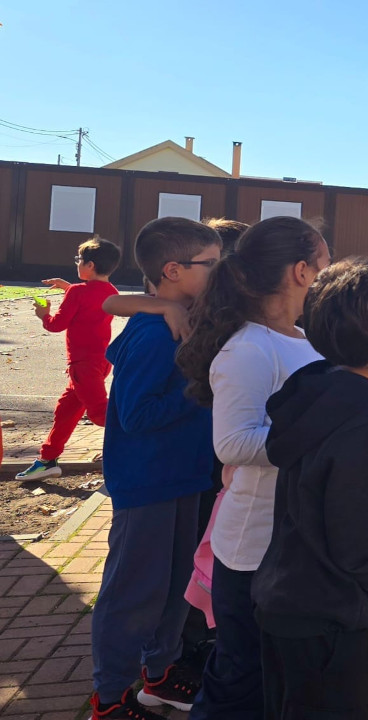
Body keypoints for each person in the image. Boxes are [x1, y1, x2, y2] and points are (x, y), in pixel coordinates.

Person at [252, 258, 368, 718]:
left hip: (286, 600)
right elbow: (361, 552)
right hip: (328, 618)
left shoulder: (316, 391)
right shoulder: (366, 425)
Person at [176, 216, 330, 720]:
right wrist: (324, 436)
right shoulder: (249, 346)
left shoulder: (302, 338)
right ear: (302, 271)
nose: (328, 274)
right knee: (239, 681)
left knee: (273, 680)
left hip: (287, 539)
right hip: (251, 548)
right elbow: (234, 443)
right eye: (325, 263)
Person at [88, 218, 221, 720]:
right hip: (148, 484)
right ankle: (110, 698)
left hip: (185, 477)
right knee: (132, 593)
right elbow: (139, 414)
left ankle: (160, 676)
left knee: (175, 585)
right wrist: (201, 387)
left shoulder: (180, 315)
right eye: (211, 264)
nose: (220, 272)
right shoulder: (152, 335)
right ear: (173, 270)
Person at [17, 236, 121, 481]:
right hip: (99, 362)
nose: (77, 263)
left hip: (81, 364)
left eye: (79, 260)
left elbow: (56, 325)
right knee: (66, 411)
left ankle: (139, 441)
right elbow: (90, 299)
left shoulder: (77, 292)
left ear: (90, 265)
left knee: (99, 413)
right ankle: (47, 459)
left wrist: (44, 314)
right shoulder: (111, 291)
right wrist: (68, 288)